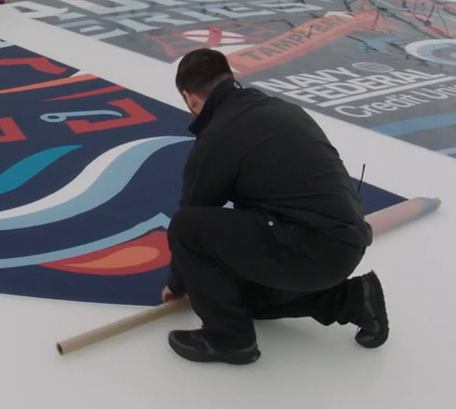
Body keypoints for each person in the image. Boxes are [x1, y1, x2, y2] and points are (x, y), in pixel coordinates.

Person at [161, 48, 388, 365]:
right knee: (237, 298)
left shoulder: (219, 134)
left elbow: (192, 216)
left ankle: (229, 339)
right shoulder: (277, 108)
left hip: (308, 246)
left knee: (186, 228)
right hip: (345, 243)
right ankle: (352, 300)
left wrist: (177, 283)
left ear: (189, 98)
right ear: (230, 77)